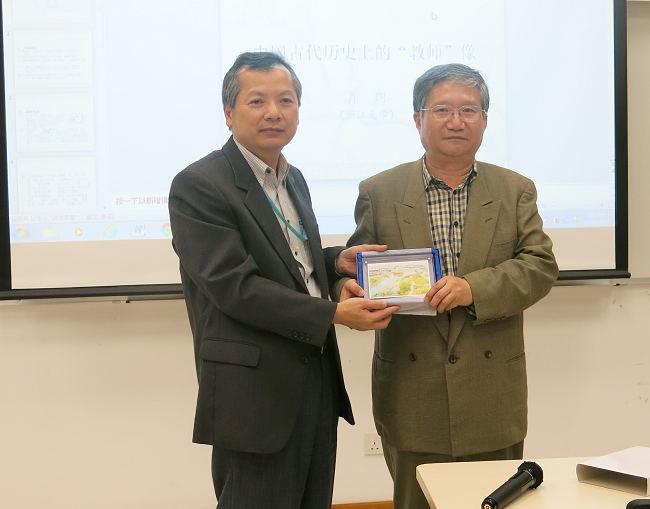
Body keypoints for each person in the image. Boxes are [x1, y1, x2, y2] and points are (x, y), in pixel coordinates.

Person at [168, 52, 398, 509]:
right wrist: (333, 314)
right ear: (229, 113)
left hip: (315, 379)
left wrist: (334, 261)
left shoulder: (294, 180)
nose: (274, 112)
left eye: (286, 100)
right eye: (257, 101)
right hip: (254, 394)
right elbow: (235, 286)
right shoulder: (199, 184)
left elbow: (287, 262)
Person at [337, 63, 559, 509]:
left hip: (491, 392)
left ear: (485, 121)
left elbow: (540, 266)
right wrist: (349, 289)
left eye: (468, 110)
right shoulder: (379, 191)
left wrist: (474, 289)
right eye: (441, 109)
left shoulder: (515, 189)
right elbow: (357, 267)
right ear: (417, 119)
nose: (456, 121)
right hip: (410, 391)